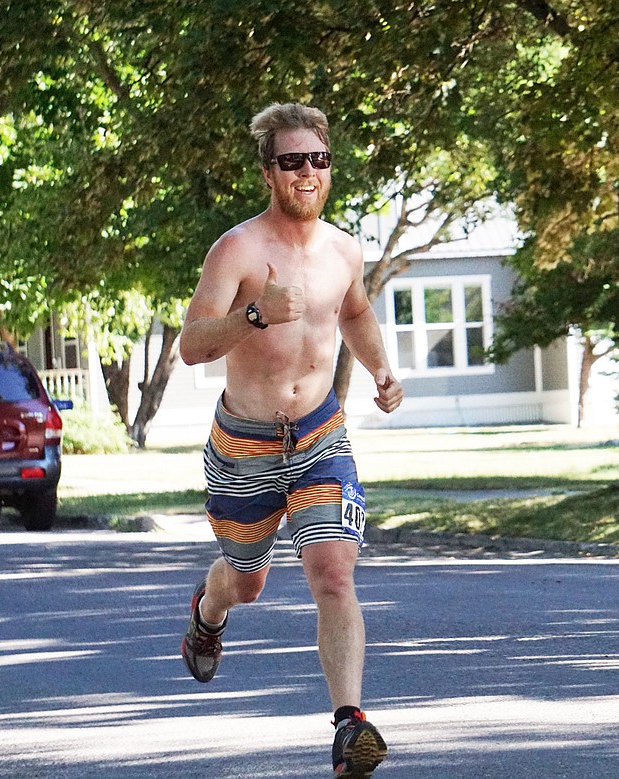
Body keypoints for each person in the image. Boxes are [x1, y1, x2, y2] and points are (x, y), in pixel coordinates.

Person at [178, 102, 402, 778]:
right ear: (269, 172)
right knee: (246, 584)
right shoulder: (237, 250)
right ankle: (207, 610)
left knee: (333, 572)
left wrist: (381, 368)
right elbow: (191, 344)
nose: (307, 171)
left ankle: (349, 725)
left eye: (318, 159)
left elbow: (355, 311)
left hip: (319, 435)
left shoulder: (343, 249)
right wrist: (255, 314)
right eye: (291, 161)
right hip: (245, 442)